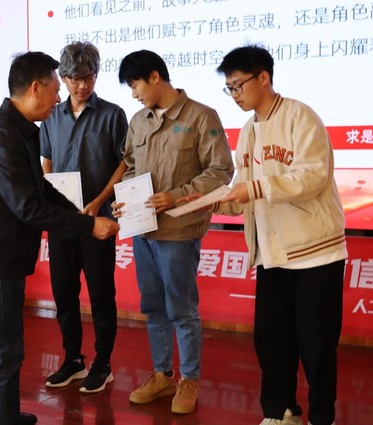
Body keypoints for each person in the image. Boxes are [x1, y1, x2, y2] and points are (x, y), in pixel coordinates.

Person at [0, 51, 119, 425]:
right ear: (36, 88)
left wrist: (79, 214)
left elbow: (41, 188)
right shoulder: (2, 136)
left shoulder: (18, 129)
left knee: (3, 345)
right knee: (3, 349)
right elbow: (29, 207)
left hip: (4, 255)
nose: (58, 97)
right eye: (54, 88)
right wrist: (88, 227)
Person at [208, 45, 347, 425]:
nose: (234, 95)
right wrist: (213, 202)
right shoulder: (248, 130)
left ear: (264, 78)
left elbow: (312, 176)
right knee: (271, 339)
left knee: (316, 343)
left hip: (315, 253)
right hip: (271, 253)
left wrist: (252, 189)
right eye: (229, 89)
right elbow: (245, 191)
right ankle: (281, 411)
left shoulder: (300, 117)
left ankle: (322, 417)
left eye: (238, 86)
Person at [112, 49, 234, 414]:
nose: (133, 94)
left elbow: (221, 171)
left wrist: (176, 196)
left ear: (154, 77)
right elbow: (130, 167)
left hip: (179, 229)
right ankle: (162, 374)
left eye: (135, 85)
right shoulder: (138, 121)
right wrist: (124, 199)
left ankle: (189, 379)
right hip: (143, 229)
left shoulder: (201, 116)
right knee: (152, 305)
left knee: (181, 306)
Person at [39, 41, 128, 394]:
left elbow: (124, 163)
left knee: (101, 295)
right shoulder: (51, 115)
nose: (82, 85)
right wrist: (50, 201)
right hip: (62, 222)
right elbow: (46, 161)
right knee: (64, 293)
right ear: (63, 77)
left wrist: (99, 201)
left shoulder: (113, 114)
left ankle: (103, 363)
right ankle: (73, 359)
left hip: (98, 221)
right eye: (75, 78)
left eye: (89, 77)